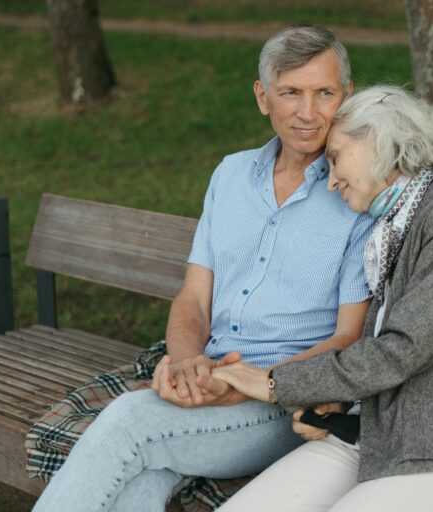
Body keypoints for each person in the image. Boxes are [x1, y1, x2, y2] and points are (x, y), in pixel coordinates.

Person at [32, 26, 374, 512]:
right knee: (145, 475)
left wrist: (241, 384)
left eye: (324, 93)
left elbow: (347, 339)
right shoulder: (230, 175)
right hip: (208, 375)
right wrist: (188, 363)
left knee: (130, 422)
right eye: (291, 92)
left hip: (283, 404)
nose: (307, 112)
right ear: (262, 97)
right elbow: (193, 297)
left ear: (347, 97)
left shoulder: (356, 192)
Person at [212, 85, 433, 512]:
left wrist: (276, 383)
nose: (332, 178)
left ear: (379, 142)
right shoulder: (391, 227)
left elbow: (403, 349)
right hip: (376, 432)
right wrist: (336, 403)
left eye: (336, 157)